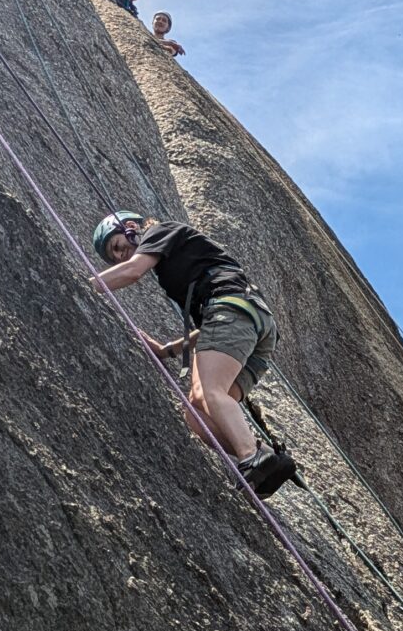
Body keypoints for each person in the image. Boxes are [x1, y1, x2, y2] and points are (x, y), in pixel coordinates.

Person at [89, 210, 298, 499]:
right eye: (116, 257)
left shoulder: (160, 232)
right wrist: (167, 350)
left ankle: (251, 456)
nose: (123, 255)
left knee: (209, 391)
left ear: (129, 227)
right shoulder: (176, 264)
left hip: (233, 311)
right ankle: (265, 456)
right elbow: (211, 328)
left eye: (117, 246)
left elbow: (133, 271)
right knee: (197, 413)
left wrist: (87, 285)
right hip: (248, 324)